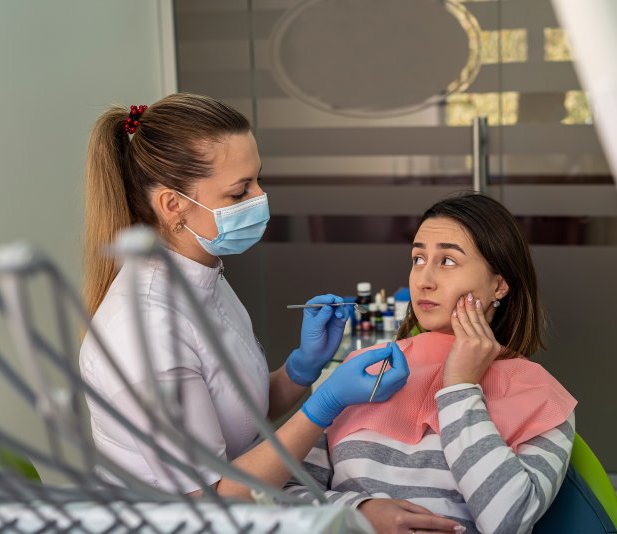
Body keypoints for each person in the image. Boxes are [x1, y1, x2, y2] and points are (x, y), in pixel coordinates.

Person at [78, 93, 419, 506]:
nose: (260, 199)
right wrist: (327, 403)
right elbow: (215, 497)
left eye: (258, 180)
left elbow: (238, 416)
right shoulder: (145, 331)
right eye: (240, 193)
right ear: (173, 206)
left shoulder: (204, 276)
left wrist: (301, 368)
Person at [283, 193, 578, 534]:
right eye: (418, 258)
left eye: (448, 261)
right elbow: (281, 493)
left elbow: (507, 522)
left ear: (499, 285)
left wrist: (460, 389)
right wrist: (358, 513)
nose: (424, 279)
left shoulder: (541, 396)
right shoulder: (363, 370)